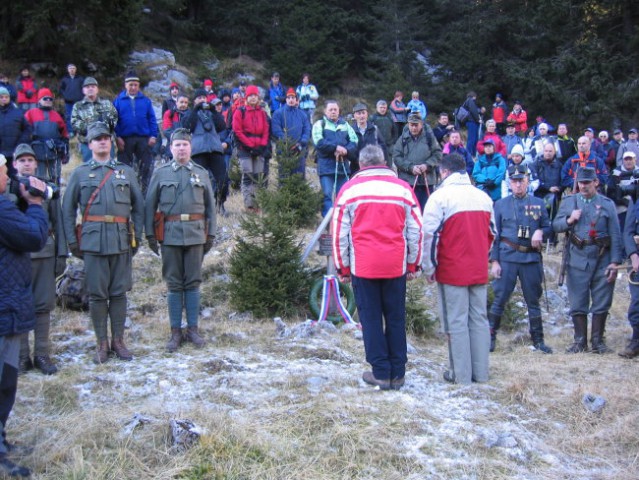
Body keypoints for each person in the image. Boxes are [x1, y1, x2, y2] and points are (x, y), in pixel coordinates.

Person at [332, 145, 422, 390]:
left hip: (364, 266)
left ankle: (380, 372)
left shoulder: (349, 190)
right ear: (384, 162)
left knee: (371, 319)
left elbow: (339, 233)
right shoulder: (403, 189)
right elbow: (416, 229)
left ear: (361, 165)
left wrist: (343, 268)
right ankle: (398, 373)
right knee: (395, 317)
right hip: (395, 264)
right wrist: (413, 263)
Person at [62, 122, 144, 364]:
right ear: (90, 144)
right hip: (93, 241)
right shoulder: (79, 173)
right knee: (97, 296)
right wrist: (71, 241)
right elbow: (67, 210)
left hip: (120, 239)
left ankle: (119, 340)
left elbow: (139, 207)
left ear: (111, 142)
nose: (102, 142)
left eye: (106, 138)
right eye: (97, 139)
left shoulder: (125, 172)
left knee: (119, 293)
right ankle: (102, 343)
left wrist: (136, 237)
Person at [422, 153, 495, 384]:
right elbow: (492, 233)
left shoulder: (439, 197)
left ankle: (460, 375)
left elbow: (429, 236)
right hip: (478, 266)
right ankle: (481, 373)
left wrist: (429, 267)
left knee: (455, 321)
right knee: (479, 320)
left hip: (452, 268)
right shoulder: (483, 197)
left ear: (444, 172)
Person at [145, 129, 216, 352]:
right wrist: (150, 235)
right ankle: (175, 331)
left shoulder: (202, 173)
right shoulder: (161, 173)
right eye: (177, 145)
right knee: (174, 284)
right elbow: (149, 206)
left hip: (196, 233)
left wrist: (210, 234)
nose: (181, 148)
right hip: (170, 234)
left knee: (193, 282)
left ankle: (193, 329)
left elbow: (210, 208)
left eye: (185, 144)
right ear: (170, 148)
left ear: (191, 147)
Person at [0, 153, 48, 477]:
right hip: (4, 304)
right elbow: (33, 236)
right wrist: (34, 204)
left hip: (8, 301)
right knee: (3, 377)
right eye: (5, 172)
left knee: (7, 378)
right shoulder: (2, 208)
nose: (9, 178)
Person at [9, 145, 67, 375]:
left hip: (44, 252)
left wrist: (61, 254)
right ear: (14, 164)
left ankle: (42, 353)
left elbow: (58, 222)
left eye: (29, 160)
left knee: (43, 306)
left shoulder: (46, 188)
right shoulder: (7, 189)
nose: (25, 164)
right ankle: (22, 356)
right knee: (19, 306)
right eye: (21, 160)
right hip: (15, 257)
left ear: (36, 163)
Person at [553, 167, 622, 354]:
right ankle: (580, 341)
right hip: (578, 256)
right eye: (581, 182)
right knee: (578, 300)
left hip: (602, 256)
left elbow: (616, 234)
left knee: (602, 299)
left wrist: (615, 262)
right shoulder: (569, 202)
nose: (583, 186)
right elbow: (556, 225)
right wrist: (569, 220)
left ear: (596, 182)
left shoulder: (607, 204)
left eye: (587, 182)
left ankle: (598, 341)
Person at [488, 164, 552, 353]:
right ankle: (491, 338)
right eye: (514, 181)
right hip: (507, 257)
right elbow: (494, 235)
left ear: (527, 182)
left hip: (530, 258)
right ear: (510, 183)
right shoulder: (500, 204)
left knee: (533, 301)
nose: (518, 185)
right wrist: (495, 261)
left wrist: (540, 231)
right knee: (500, 299)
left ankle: (538, 340)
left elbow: (549, 228)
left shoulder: (538, 203)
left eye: (521, 181)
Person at [113, 71, 159, 196]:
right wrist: (117, 137)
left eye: (135, 85)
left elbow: (152, 119)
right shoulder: (118, 101)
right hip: (125, 139)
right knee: (124, 167)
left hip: (143, 138)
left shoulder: (146, 101)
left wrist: (153, 135)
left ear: (138, 86)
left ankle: (144, 193)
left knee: (146, 166)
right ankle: (124, 192)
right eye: (130, 85)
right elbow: (114, 121)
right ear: (125, 85)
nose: (133, 87)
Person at [182, 88, 227, 209]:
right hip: (198, 151)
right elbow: (186, 127)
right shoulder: (190, 113)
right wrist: (195, 110)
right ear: (195, 101)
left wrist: (214, 111)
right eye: (199, 98)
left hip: (215, 149)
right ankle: (200, 206)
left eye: (204, 98)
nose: (202, 100)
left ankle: (220, 203)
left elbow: (222, 126)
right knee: (197, 181)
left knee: (223, 179)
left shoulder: (213, 113)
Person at [312, 100, 358, 217]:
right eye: (330, 110)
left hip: (343, 168)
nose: (333, 112)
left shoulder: (345, 125)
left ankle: (342, 222)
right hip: (326, 168)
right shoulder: (319, 124)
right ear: (325, 111)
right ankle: (329, 225)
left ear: (339, 111)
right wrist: (335, 148)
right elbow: (319, 142)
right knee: (327, 195)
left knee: (343, 196)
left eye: (335, 110)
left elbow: (354, 141)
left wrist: (346, 150)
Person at [392, 112, 442, 210]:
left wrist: (427, 165)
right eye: (411, 125)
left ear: (421, 124)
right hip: (407, 182)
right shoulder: (402, 139)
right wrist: (410, 167)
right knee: (408, 211)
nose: (414, 128)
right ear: (408, 124)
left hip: (426, 182)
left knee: (427, 211)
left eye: (416, 125)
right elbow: (397, 157)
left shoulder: (429, 137)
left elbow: (438, 154)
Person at [232, 85, 270, 211]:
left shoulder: (262, 113)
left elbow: (266, 131)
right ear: (246, 97)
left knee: (259, 176)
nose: (253, 98)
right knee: (248, 175)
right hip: (245, 149)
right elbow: (237, 131)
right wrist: (250, 145)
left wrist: (262, 145)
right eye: (251, 95)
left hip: (259, 149)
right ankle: (249, 205)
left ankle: (257, 203)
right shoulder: (240, 111)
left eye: (255, 95)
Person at [24, 88, 69, 184]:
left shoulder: (57, 116)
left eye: (50, 99)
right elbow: (24, 133)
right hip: (37, 152)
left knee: (55, 179)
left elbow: (64, 135)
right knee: (38, 179)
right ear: (39, 100)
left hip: (55, 151)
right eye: (45, 98)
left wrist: (66, 152)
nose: (48, 101)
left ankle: (55, 198)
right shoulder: (30, 114)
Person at [71, 77, 119, 162]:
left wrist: (103, 127)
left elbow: (114, 120)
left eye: (93, 86)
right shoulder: (78, 106)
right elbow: (75, 123)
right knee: (90, 171)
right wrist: (92, 128)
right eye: (87, 87)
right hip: (87, 144)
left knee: (109, 170)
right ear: (83, 90)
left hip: (106, 143)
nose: (90, 89)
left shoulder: (107, 104)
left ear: (97, 89)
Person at [271, 88, 311, 178]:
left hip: (299, 151)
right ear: (286, 99)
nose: (291, 100)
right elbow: (276, 130)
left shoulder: (302, 115)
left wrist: (301, 143)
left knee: (299, 177)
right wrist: (288, 143)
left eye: (293, 97)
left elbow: (307, 130)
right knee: (284, 178)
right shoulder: (278, 113)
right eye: (289, 97)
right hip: (284, 150)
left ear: (296, 100)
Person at [532, 143, 563, 244]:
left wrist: (559, 188)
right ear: (543, 151)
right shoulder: (536, 163)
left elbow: (563, 180)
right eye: (546, 151)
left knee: (552, 218)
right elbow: (534, 180)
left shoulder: (559, 165)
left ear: (554, 152)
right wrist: (548, 188)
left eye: (550, 151)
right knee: (536, 218)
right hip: (539, 195)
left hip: (554, 196)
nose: (548, 153)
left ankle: (551, 241)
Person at [621, 198, 639, 358]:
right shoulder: (636, 200)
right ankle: (636, 340)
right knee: (637, 303)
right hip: (637, 259)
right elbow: (628, 232)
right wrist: (633, 256)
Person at [0, 87, 32, 177]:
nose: (4, 99)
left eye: (6, 97)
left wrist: (21, 143)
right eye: (1, 97)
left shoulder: (17, 113)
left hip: (14, 153)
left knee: (15, 179)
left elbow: (27, 129)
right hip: (0, 154)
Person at [607, 151, 639, 231]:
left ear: (635, 160)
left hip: (637, 205)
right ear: (623, 160)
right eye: (626, 159)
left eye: (630, 159)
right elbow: (611, 193)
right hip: (621, 208)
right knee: (623, 231)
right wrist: (624, 202)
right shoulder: (616, 173)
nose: (628, 161)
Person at [351, 103, 388, 172]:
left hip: (374, 167)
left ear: (367, 114)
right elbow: (349, 150)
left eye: (363, 113)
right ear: (354, 116)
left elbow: (383, 147)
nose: (362, 116)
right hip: (356, 168)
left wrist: (384, 163)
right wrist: (358, 161)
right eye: (359, 113)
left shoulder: (375, 129)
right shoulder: (350, 131)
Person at [58, 63, 84, 136]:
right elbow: (61, 89)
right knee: (69, 116)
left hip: (79, 101)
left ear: (75, 69)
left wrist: (82, 96)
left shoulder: (80, 79)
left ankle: (79, 131)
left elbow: (84, 89)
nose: (72, 70)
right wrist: (65, 96)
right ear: (68, 70)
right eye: (70, 68)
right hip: (68, 101)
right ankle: (71, 131)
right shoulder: (64, 79)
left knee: (79, 116)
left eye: (73, 68)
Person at [461, 91, 483, 157]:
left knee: (473, 138)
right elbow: (473, 111)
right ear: (474, 96)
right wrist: (478, 119)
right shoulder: (470, 101)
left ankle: (472, 154)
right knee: (472, 138)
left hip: (470, 122)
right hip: (472, 122)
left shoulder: (467, 101)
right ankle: (469, 154)